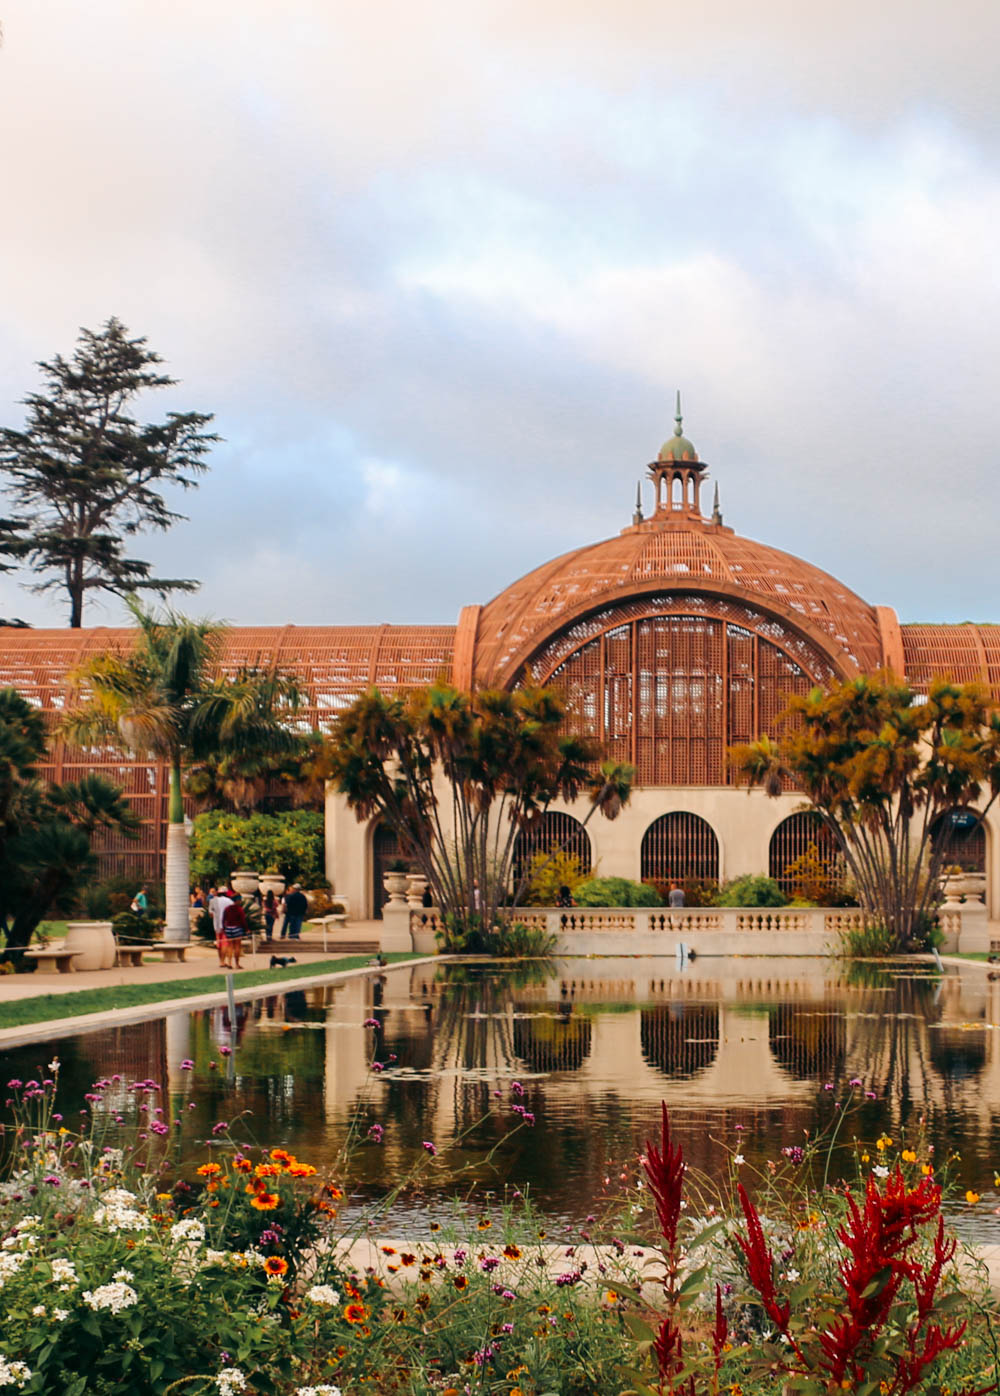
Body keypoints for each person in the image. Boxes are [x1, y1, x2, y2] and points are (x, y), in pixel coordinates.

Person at [221, 892, 248, 969]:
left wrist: (224, 928)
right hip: (237, 928)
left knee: (230, 946)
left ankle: (229, 963)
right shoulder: (239, 909)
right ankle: (237, 964)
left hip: (228, 928)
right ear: (238, 900)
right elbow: (243, 920)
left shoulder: (227, 908)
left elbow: (223, 919)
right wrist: (246, 929)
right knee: (237, 947)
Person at [211, 885, 234, 966]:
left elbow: (211, 914)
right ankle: (223, 961)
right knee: (225, 943)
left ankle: (221, 961)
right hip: (226, 925)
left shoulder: (213, 901)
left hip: (216, 925)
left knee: (219, 943)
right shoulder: (229, 901)